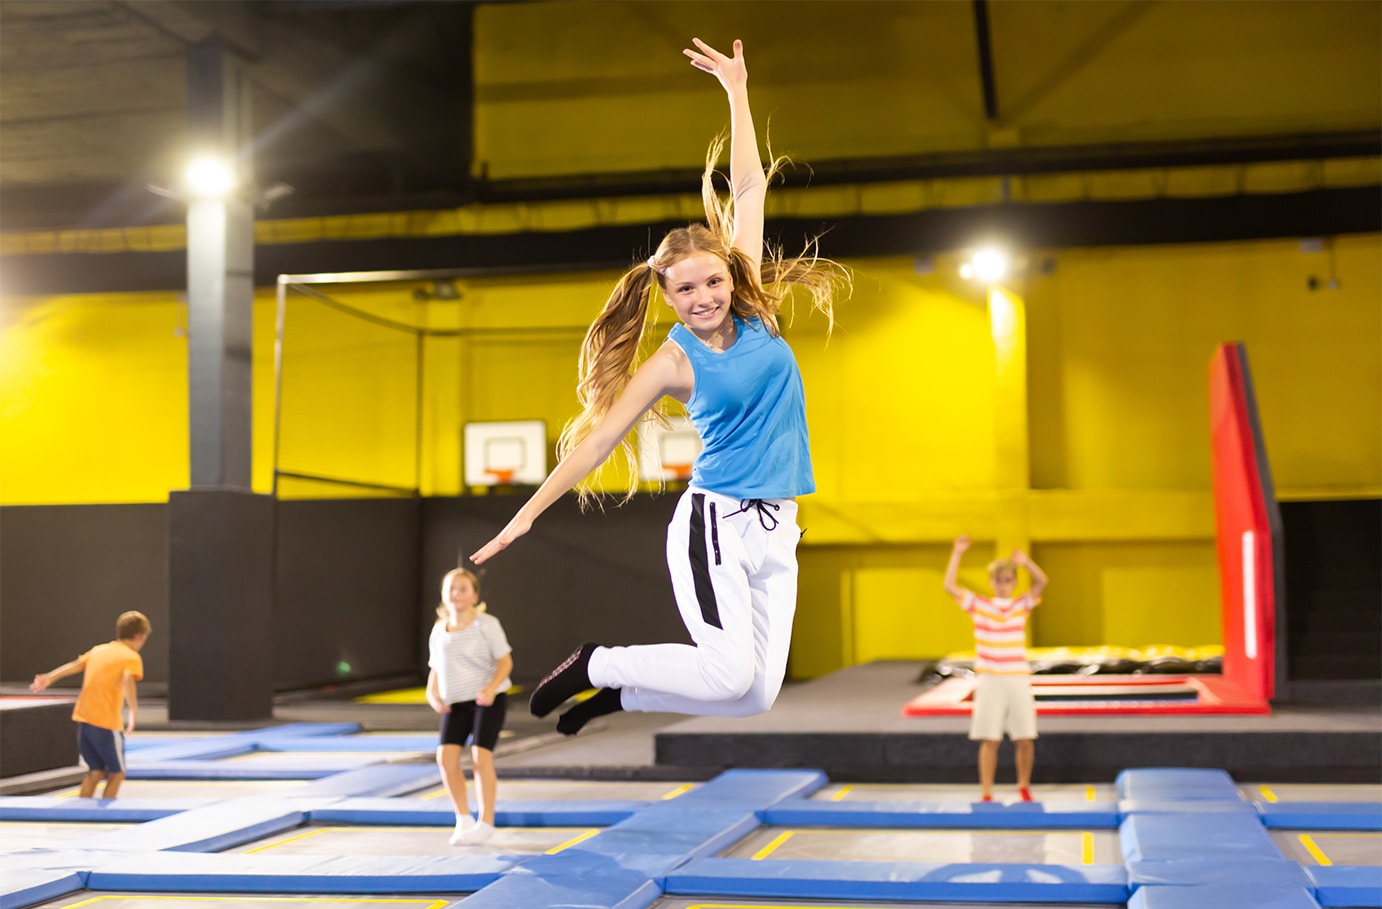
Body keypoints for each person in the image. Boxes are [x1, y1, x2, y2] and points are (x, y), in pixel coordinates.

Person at [470, 37, 848, 736]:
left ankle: (623, 696)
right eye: (687, 289)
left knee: (755, 694)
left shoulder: (756, 306)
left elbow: (751, 187)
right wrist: (526, 513)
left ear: (730, 276)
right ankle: (598, 664)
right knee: (728, 671)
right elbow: (598, 439)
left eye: (712, 280)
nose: (704, 296)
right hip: (719, 522)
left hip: (780, 525)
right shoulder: (673, 362)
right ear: (668, 297)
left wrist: (736, 91)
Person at [943, 535, 1048, 803]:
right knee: (989, 739)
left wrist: (1026, 563)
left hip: (1016, 678)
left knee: (1025, 738)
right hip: (990, 678)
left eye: (1008, 581)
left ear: (1014, 582)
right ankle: (986, 792)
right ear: (991, 582)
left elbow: (1042, 582)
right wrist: (957, 553)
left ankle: (1023, 785)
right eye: (999, 581)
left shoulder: (1020, 605)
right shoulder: (980, 604)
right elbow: (949, 586)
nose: (1003, 586)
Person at [427, 567, 513, 845]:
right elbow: (435, 666)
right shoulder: (439, 629)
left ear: (474, 595)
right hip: (456, 702)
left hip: (487, 700)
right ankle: (462, 818)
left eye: (463, 589)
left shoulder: (486, 624)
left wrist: (490, 688)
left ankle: (486, 821)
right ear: (443, 594)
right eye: (451, 588)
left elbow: (505, 661)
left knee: (479, 757)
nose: (456, 594)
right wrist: (432, 692)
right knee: (445, 758)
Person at [30, 610, 151, 799]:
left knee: (95, 771)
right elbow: (128, 680)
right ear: (138, 636)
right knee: (117, 772)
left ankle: (81, 812)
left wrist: (50, 677)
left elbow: (75, 665)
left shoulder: (99, 650)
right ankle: (106, 816)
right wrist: (134, 712)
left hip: (84, 718)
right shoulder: (130, 656)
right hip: (106, 722)